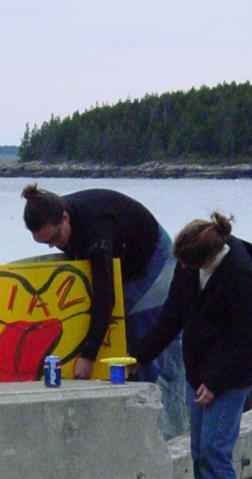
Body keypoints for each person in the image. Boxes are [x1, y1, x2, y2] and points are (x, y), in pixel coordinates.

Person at [130, 213, 252, 479]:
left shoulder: (241, 274)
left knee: (216, 452)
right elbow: (172, 315)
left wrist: (216, 383)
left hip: (230, 376)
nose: (185, 270)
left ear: (208, 257)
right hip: (199, 370)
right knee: (199, 452)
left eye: (189, 266)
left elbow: (248, 341)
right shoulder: (189, 264)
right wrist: (139, 356)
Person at [21, 183, 188, 440]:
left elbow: (105, 298)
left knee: (153, 347)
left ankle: (173, 435)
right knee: (127, 346)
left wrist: (88, 356)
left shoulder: (96, 228)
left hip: (152, 259)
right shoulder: (57, 215)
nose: (54, 246)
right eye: (45, 243)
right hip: (122, 261)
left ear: (65, 217)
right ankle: (136, 432)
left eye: (55, 238)